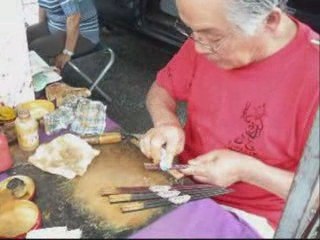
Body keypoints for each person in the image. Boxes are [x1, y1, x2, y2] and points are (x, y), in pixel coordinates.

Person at [136, 0, 319, 238]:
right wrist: (166, 123)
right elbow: (161, 91)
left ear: (270, 21)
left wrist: (247, 170)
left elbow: (314, 196)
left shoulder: (313, 75)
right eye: (192, 31)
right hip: (180, 180)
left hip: (250, 213)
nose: (199, 47)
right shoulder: (204, 37)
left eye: (214, 38)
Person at [27, 0, 100, 70]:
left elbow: (74, 18)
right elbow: (43, 6)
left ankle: (47, 79)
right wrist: (41, 27)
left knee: (36, 49)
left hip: (83, 34)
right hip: (57, 26)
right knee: (24, 38)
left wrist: (67, 53)